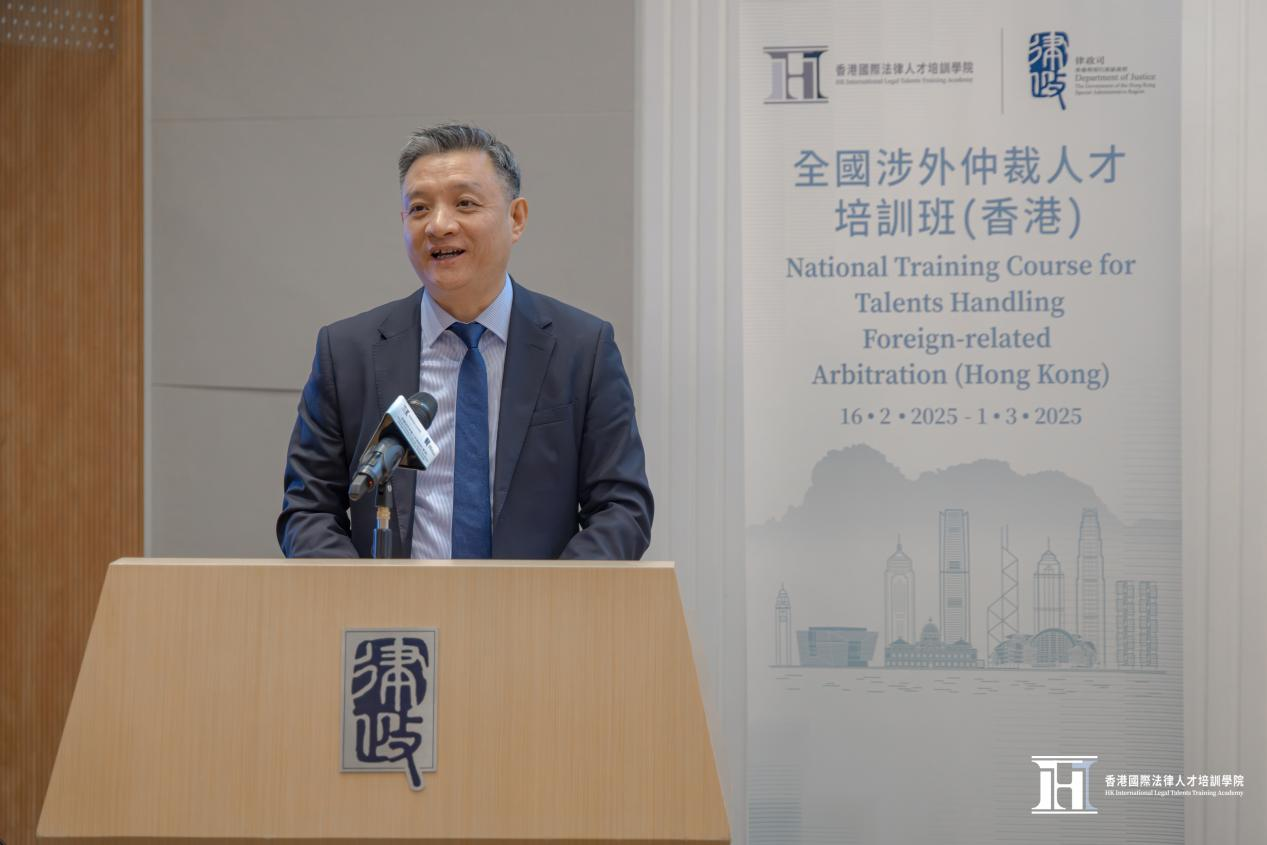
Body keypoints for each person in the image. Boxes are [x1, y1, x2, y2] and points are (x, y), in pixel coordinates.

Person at [277, 124, 652, 560]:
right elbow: (308, 511)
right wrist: (362, 594)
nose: (438, 225)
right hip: (394, 605)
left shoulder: (582, 349)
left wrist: (551, 596)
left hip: (535, 602)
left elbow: (622, 510)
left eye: (465, 204)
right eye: (419, 208)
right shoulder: (347, 352)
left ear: (516, 218)